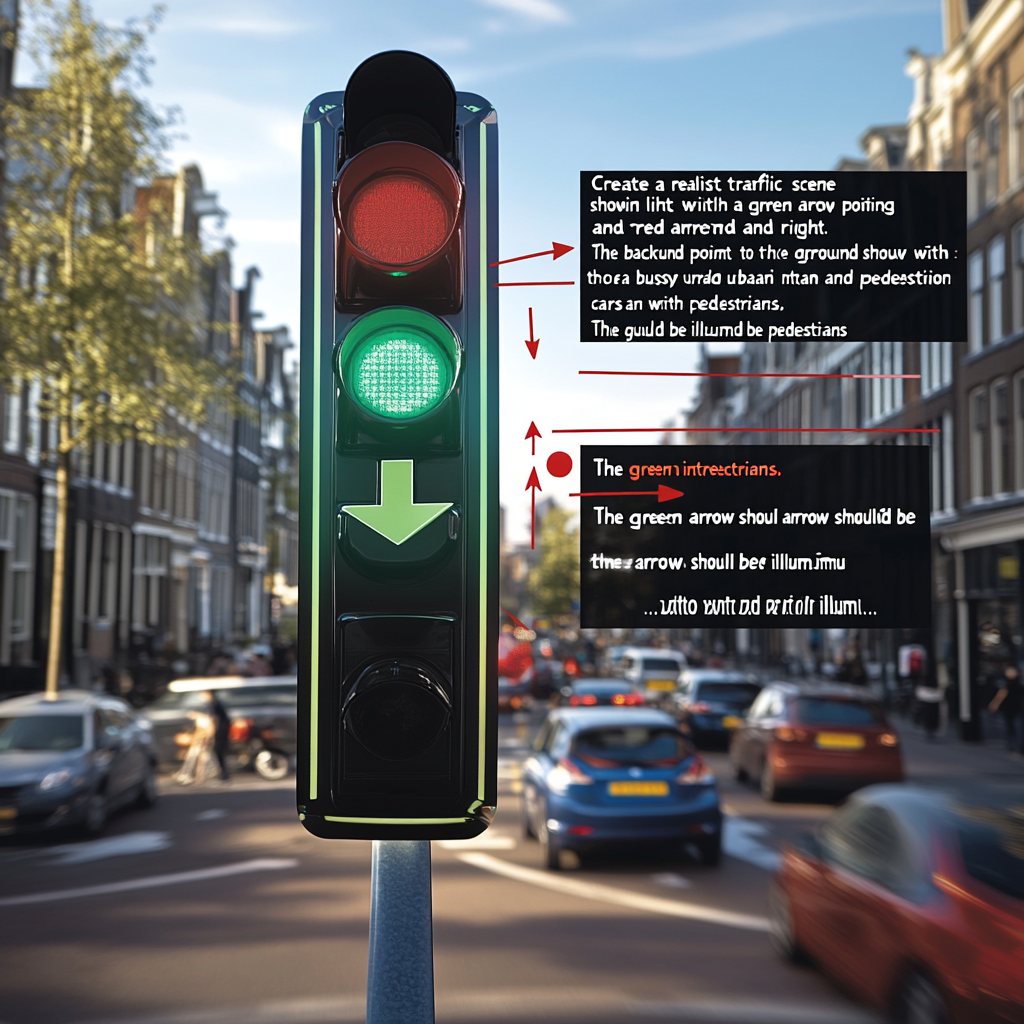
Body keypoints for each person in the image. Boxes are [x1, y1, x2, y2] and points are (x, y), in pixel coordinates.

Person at [988, 665, 1023, 754]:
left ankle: (1015, 745)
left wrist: (994, 704)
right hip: (1012, 709)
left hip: (1015, 709)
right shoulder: (1011, 684)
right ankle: (1014, 745)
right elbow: (1001, 695)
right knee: (1014, 727)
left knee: (1014, 727)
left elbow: (1001, 695)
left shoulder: (1012, 684)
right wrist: (995, 704)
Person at [205, 689, 232, 780]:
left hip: (220, 732)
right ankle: (222, 772)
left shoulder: (214, 705)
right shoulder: (216, 704)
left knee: (219, 752)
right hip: (222, 731)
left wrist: (212, 732)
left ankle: (223, 773)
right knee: (219, 752)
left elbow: (215, 719)